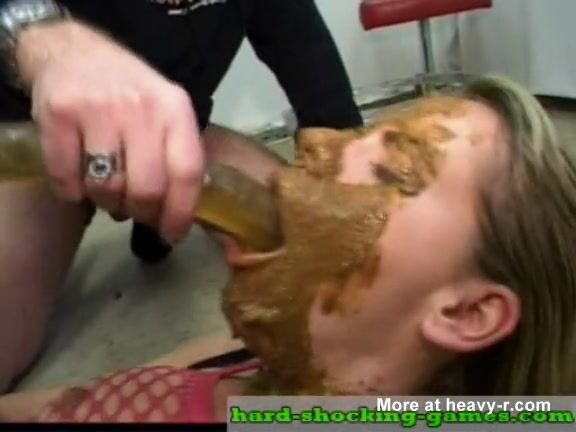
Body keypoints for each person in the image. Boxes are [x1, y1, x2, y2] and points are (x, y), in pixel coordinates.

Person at [1, 75, 575, 423]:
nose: (314, 141)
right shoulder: (245, 355)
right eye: (357, 133)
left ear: (466, 313)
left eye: (391, 171)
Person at [0, 0, 363, 392]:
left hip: (185, 140)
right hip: (37, 142)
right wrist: (41, 37)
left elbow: (323, 96)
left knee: (330, 264)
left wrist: (359, 202)